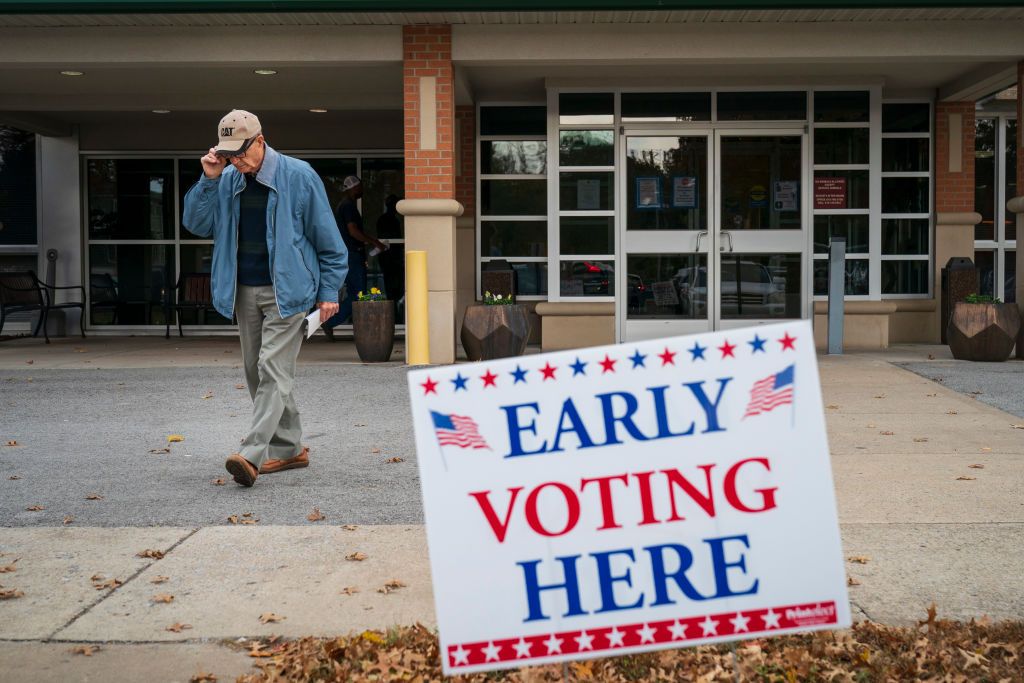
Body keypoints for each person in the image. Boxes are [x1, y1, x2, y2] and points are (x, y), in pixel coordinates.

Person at [182, 110, 347, 487]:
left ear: (260, 141)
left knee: (273, 368)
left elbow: (329, 242)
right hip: (243, 290)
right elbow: (195, 223)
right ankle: (290, 449)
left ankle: (252, 454)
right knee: (258, 373)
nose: (235, 161)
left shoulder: (299, 175)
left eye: (240, 152)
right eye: (228, 154)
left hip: (288, 291)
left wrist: (327, 293)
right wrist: (208, 179)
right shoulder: (224, 179)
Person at [323, 175, 386, 339]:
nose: (362, 190)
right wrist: (374, 242)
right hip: (351, 255)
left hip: (349, 254)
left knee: (357, 294)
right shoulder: (348, 206)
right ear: (354, 188)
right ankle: (330, 321)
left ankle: (336, 322)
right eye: (360, 187)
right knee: (358, 295)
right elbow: (353, 231)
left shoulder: (343, 205)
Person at [376, 194, 405, 308]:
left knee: (398, 288)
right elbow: (386, 238)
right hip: (389, 260)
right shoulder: (385, 220)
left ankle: (396, 313)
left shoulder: (394, 220)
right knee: (392, 288)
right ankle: (393, 314)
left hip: (395, 260)